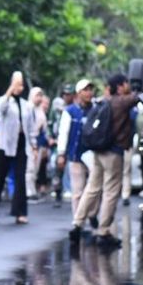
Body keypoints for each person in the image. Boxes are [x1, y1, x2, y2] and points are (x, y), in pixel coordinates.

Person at [68, 73, 143, 248]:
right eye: (126, 83)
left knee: (92, 188)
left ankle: (77, 223)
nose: (128, 86)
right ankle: (103, 232)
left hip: (98, 151)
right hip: (113, 153)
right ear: (120, 86)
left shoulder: (104, 101)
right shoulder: (121, 101)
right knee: (111, 192)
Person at [0, 72, 37, 225]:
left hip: (21, 143)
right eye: (17, 84)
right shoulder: (4, 101)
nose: (19, 87)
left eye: (21, 84)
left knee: (21, 179)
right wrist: (9, 90)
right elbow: (1, 109)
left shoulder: (26, 105)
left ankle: (20, 212)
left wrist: (33, 145)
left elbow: (30, 126)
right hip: (5, 144)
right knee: (0, 178)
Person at [55, 80, 94, 213]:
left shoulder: (96, 109)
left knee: (94, 190)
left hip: (94, 157)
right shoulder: (70, 111)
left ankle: (92, 215)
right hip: (75, 156)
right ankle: (78, 221)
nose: (89, 92)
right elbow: (63, 133)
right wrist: (61, 154)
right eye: (86, 90)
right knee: (77, 192)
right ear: (79, 93)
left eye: (90, 89)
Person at [26, 87, 50, 203]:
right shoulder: (29, 108)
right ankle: (29, 192)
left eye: (41, 95)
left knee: (36, 168)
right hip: (31, 142)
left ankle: (33, 191)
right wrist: (33, 145)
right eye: (37, 96)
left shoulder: (40, 110)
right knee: (30, 168)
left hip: (40, 142)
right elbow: (31, 128)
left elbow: (43, 129)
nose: (39, 98)